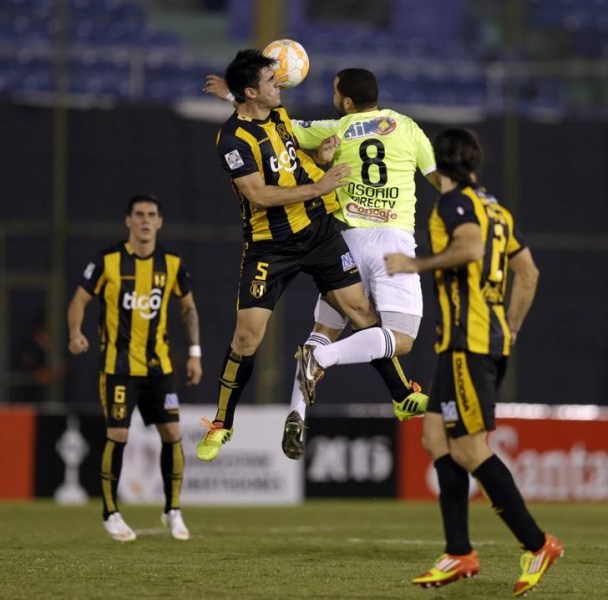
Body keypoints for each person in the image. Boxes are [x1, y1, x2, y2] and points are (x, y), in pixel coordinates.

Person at [204, 68, 439, 461]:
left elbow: (282, 130)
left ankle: (382, 397)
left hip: (323, 234)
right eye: (271, 81)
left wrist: (319, 156)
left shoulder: (301, 121)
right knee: (248, 337)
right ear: (253, 90)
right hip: (271, 246)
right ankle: (222, 423)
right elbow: (259, 195)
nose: (281, 85)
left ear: (346, 102)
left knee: (350, 319)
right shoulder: (231, 139)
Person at [384, 128, 563, 596]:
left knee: (467, 448)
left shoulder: (453, 203)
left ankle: (537, 542)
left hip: (468, 342)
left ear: (435, 168)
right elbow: (529, 272)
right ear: (475, 163)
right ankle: (459, 551)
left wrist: (413, 266)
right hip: (474, 341)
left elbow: (468, 248)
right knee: (435, 437)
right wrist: (512, 327)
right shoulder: (496, 208)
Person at [67, 194, 203, 542]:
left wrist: (195, 353)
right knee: (119, 435)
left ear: (159, 222)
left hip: (159, 368)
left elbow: (188, 309)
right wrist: (75, 333)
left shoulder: (171, 263)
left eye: (151, 215)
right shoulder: (107, 261)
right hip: (119, 368)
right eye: (139, 215)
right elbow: (79, 300)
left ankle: (172, 509)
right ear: (128, 220)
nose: (145, 220)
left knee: (172, 435)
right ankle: (110, 513)